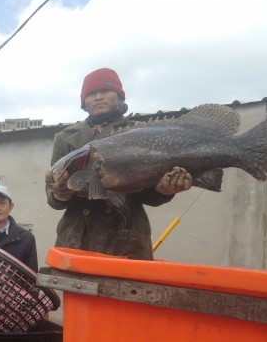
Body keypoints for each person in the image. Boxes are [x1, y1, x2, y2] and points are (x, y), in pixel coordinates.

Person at [45, 67, 192, 260]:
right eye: (91, 93)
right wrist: (61, 193)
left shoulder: (139, 132)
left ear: (119, 97)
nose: (98, 97)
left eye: (105, 91)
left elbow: (149, 195)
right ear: (84, 102)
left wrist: (164, 190)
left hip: (126, 239)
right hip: (77, 239)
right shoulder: (65, 138)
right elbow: (52, 196)